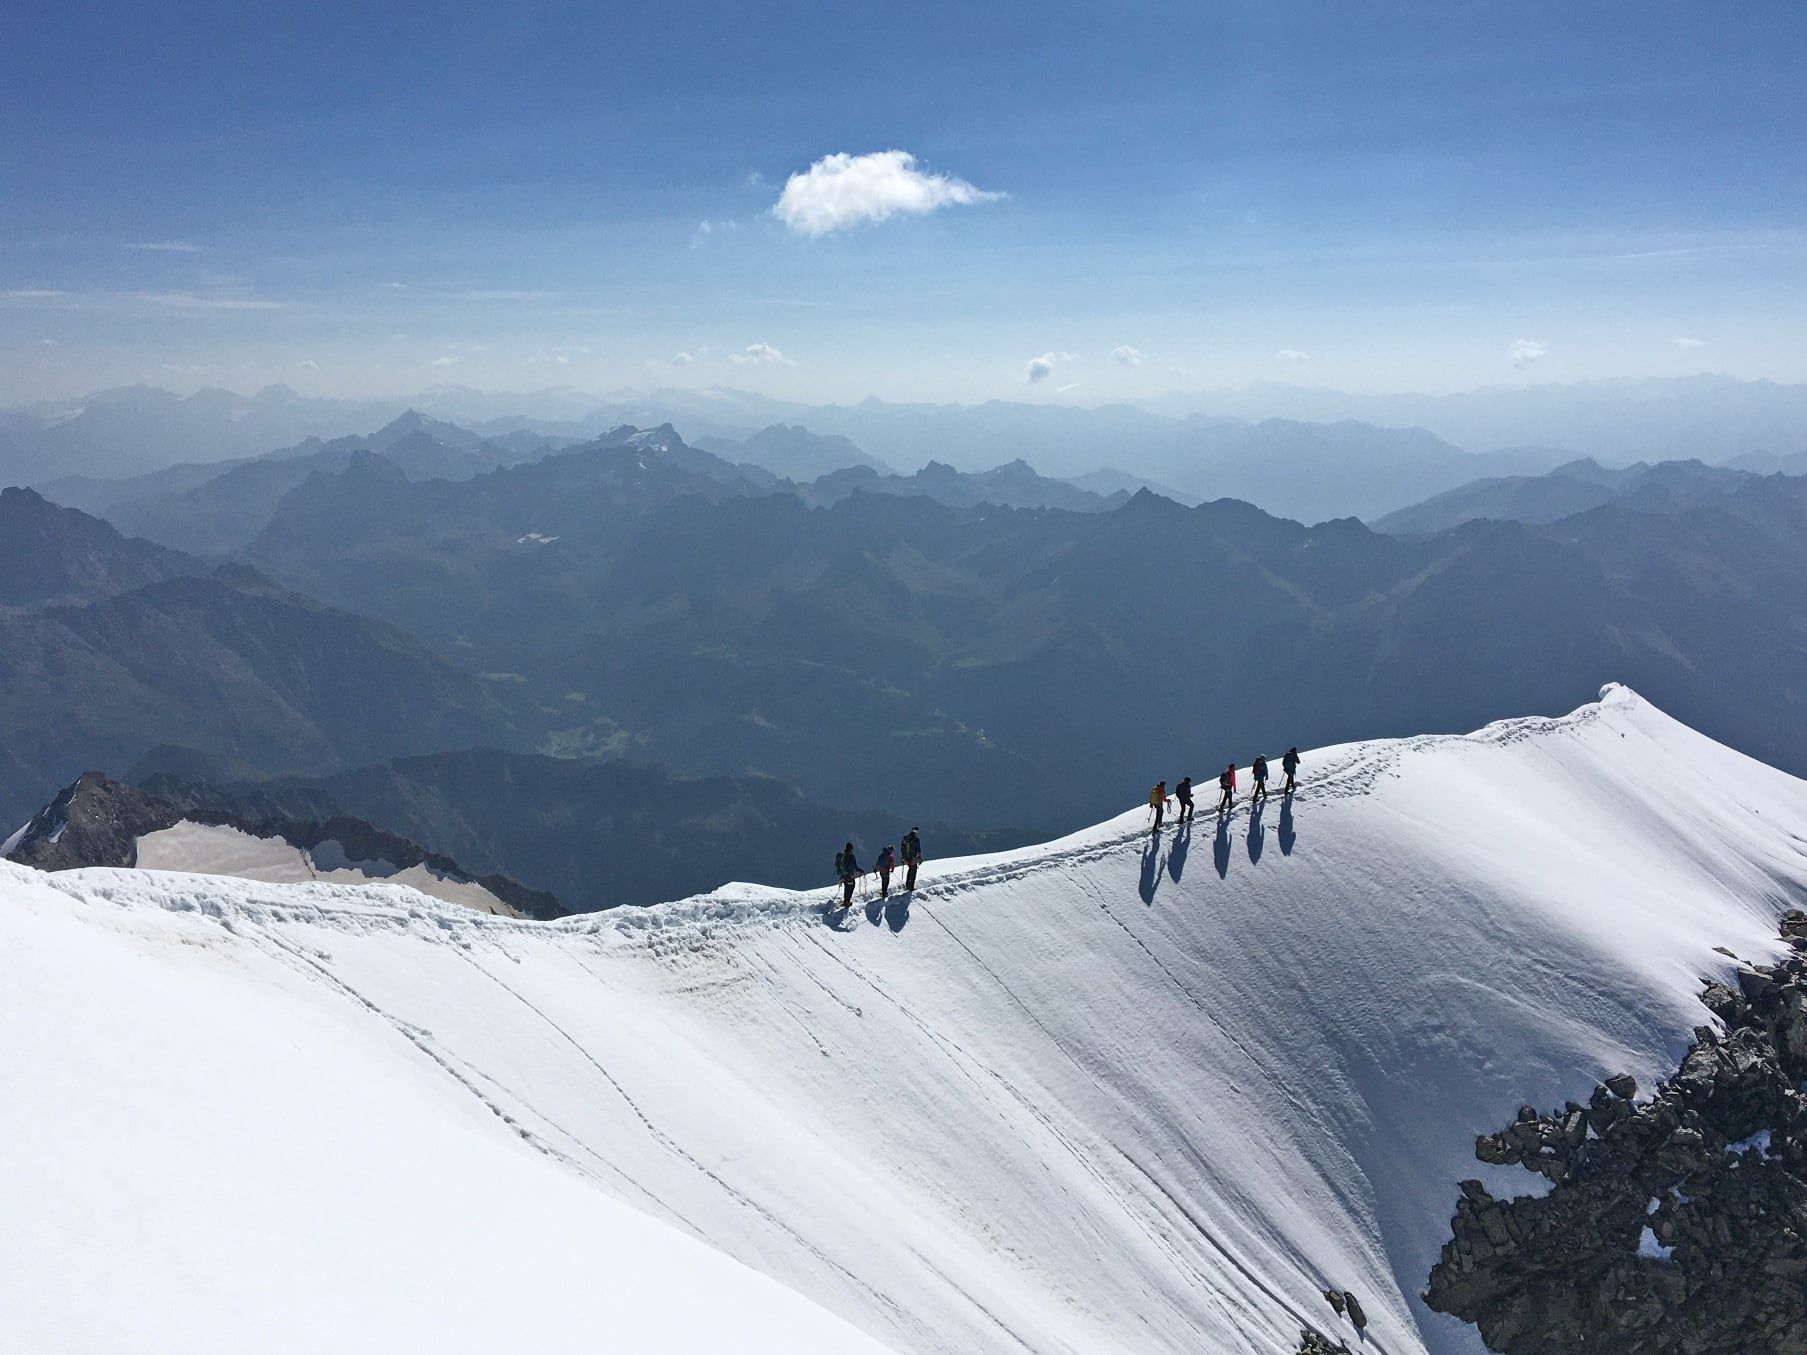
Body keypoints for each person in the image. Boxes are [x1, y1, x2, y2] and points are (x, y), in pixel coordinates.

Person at [834, 841, 861, 909]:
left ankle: (846, 901)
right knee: (851, 887)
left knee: (847, 887)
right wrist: (861, 871)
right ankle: (847, 902)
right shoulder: (851, 856)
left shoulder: (842, 855)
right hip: (849, 875)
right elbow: (855, 866)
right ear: (851, 848)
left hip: (843, 875)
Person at [900, 826, 922, 891]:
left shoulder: (905, 838)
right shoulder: (916, 839)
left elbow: (902, 848)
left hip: (906, 858)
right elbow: (918, 849)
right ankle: (911, 887)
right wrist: (920, 857)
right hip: (913, 858)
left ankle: (907, 885)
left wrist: (903, 857)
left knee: (910, 870)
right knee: (913, 871)